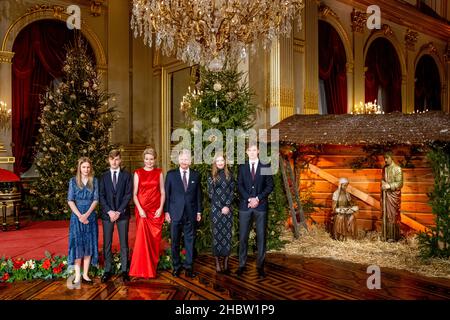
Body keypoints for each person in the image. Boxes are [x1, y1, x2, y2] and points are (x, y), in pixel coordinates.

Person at [237, 142, 274, 278]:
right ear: (246, 152)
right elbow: (239, 185)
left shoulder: (265, 165)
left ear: (258, 151)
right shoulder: (242, 167)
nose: (252, 152)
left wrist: (257, 198)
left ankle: (260, 266)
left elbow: (270, 185)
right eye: (249, 150)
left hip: (261, 206)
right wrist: (249, 199)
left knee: (261, 237)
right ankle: (241, 265)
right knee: (243, 237)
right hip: (245, 206)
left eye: (254, 150)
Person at [164, 149, 202, 278]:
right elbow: (167, 195)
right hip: (175, 213)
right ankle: (176, 266)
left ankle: (189, 267)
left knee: (189, 241)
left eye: (187, 159)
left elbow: (198, 195)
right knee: (175, 241)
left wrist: (199, 211)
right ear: (178, 160)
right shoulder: (171, 175)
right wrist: (166, 212)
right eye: (182, 158)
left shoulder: (196, 175)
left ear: (190, 161)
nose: (184, 161)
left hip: (190, 213)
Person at [129, 148, 165, 278]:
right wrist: (140, 209)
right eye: (147, 159)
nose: (149, 161)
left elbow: (162, 192)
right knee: (142, 240)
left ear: (155, 160)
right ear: (143, 159)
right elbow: (134, 194)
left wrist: (161, 208)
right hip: (143, 211)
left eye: (151, 159)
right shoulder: (138, 172)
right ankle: (141, 270)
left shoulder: (159, 172)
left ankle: (152, 267)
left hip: (155, 211)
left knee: (154, 241)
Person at [99, 149, 133, 282]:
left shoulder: (126, 176)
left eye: (117, 159)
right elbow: (101, 195)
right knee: (107, 243)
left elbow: (128, 194)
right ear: (108, 160)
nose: (114, 161)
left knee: (124, 242)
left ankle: (125, 270)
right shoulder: (103, 176)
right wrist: (109, 211)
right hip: (108, 215)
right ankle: (107, 270)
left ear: (120, 160)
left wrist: (118, 211)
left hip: (122, 214)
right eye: (112, 159)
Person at [67, 157, 99, 288]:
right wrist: (80, 215)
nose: (86, 169)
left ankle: (85, 274)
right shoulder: (73, 181)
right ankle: (77, 276)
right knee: (78, 245)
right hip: (77, 217)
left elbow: (96, 200)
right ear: (79, 168)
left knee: (88, 245)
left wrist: (86, 215)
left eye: (88, 167)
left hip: (90, 217)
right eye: (84, 167)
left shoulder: (94, 181)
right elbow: (70, 200)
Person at [207, 153, 235, 274]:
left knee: (227, 236)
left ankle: (226, 262)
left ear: (225, 162)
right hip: (216, 210)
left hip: (228, 210)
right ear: (215, 162)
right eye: (217, 161)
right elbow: (211, 193)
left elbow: (232, 191)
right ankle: (217, 263)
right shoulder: (211, 176)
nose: (220, 163)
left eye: (222, 160)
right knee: (217, 236)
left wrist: (227, 205)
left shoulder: (230, 175)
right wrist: (220, 207)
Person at [381, 152, 403, 242]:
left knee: (393, 215)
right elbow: (383, 179)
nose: (385, 160)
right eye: (384, 158)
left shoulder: (397, 169)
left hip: (393, 196)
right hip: (386, 195)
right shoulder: (384, 169)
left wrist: (389, 186)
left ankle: (393, 236)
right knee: (385, 214)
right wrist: (382, 183)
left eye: (387, 158)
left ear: (392, 158)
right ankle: (385, 234)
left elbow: (400, 183)